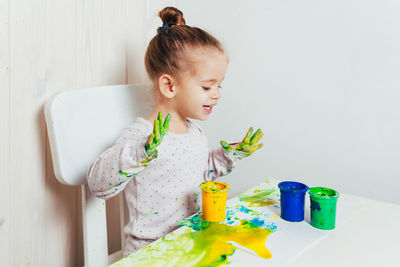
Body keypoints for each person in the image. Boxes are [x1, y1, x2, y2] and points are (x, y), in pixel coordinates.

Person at [87, 6, 264, 256]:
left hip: (189, 244)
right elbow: (97, 184)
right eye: (207, 86)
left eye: (219, 85)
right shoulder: (143, 136)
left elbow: (200, 172)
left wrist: (230, 155)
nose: (217, 95)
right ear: (169, 86)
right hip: (150, 254)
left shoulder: (195, 133)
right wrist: (140, 152)